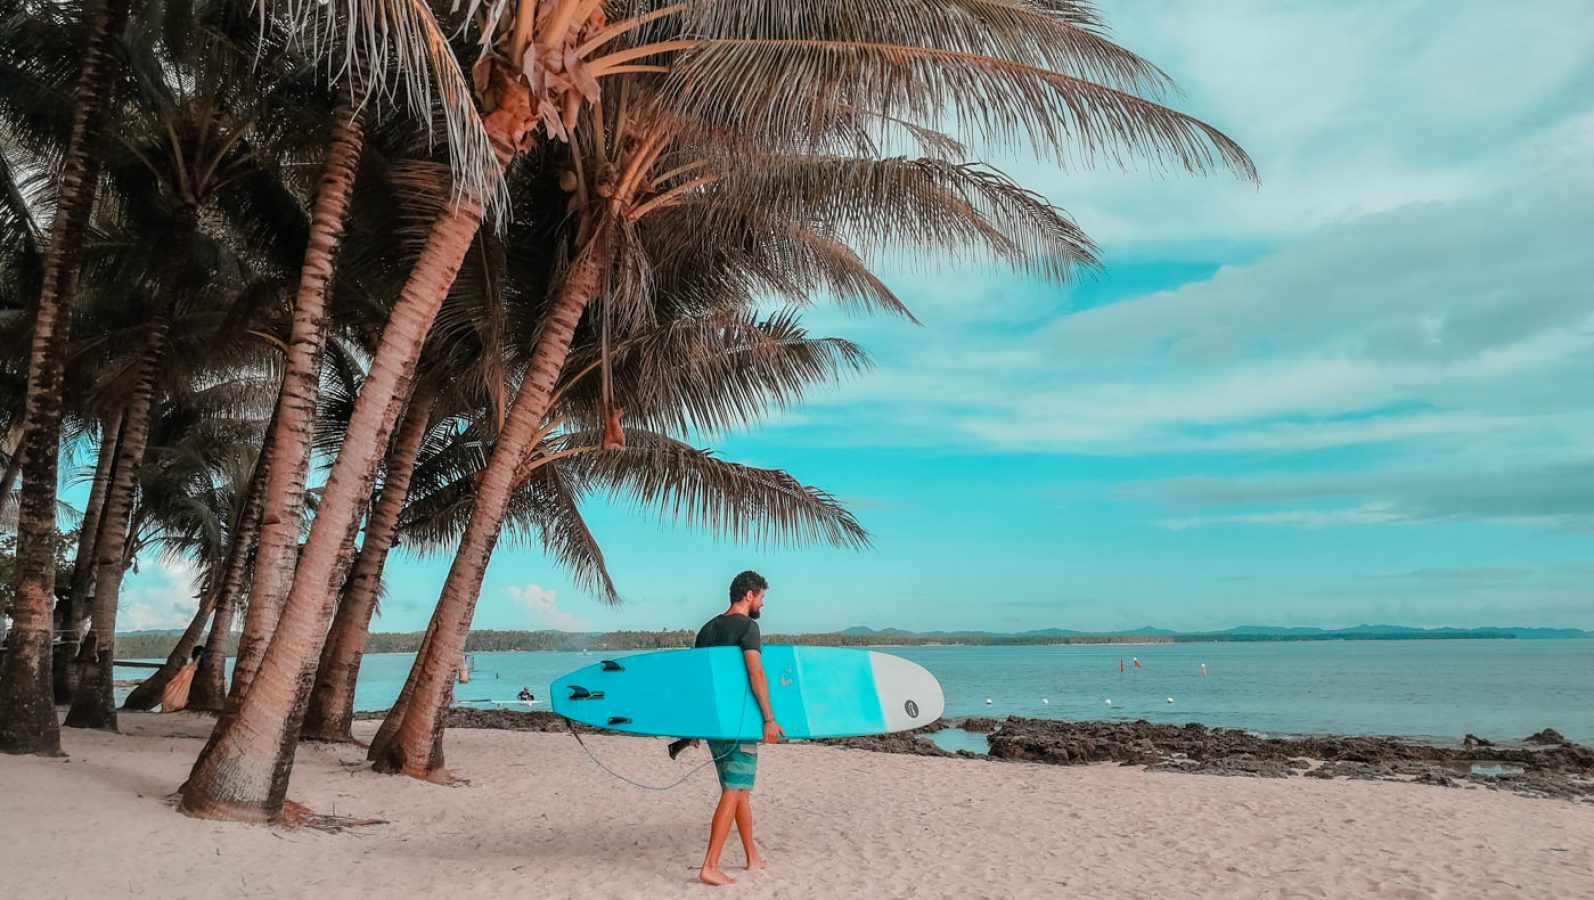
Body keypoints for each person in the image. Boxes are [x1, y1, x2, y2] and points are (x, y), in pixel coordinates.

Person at [687, 570, 783, 886]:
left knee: (738, 787)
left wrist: (694, 725)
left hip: (714, 723)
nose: (762, 605)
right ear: (749, 595)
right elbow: (756, 675)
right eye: (762, 598)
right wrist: (769, 719)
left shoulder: (707, 629)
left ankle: (751, 856)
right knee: (734, 789)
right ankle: (710, 866)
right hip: (738, 723)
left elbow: (699, 681)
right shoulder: (747, 627)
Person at [159, 645, 206, 713]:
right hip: (181, 691)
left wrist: (199, 655)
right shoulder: (191, 667)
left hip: (179, 691)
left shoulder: (190, 668)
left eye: (192, 652)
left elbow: (193, 667)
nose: (191, 653)